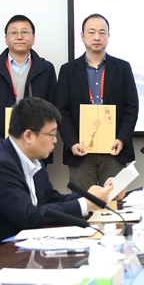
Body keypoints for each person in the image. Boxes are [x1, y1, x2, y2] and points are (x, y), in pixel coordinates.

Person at [0, 98, 117, 256]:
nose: (55, 140)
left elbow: (52, 199)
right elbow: (28, 217)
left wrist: (94, 197)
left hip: (17, 247)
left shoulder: (32, 160)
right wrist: (85, 204)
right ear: (29, 135)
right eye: (51, 134)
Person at [56, 14, 139, 187]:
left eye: (102, 32)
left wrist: (122, 139)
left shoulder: (122, 68)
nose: (97, 37)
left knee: (114, 198)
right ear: (82, 36)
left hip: (113, 149)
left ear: (108, 36)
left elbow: (132, 107)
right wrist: (71, 142)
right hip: (80, 150)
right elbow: (61, 110)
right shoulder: (68, 70)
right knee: (84, 201)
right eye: (91, 32)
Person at [0, 15, 57, 155]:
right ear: (6, 39)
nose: (19, 37)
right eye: (13, 32)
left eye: (25, 32)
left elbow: (53, 108)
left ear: (33, 38)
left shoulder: (46, 69)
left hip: (36, 146)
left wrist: (41, 140)